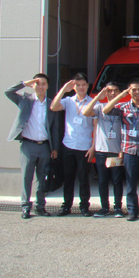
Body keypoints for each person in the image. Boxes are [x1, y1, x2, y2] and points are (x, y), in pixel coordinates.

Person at [103, 78, 139, 222]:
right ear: (129, 91)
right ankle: (132, 211)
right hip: (129, 151)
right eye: (133, 89)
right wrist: (120, 96)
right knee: (130, 183)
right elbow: (106, 110)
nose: (137, 92)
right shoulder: (122, 107)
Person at [5, 74, 59, 219]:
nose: (40, 87)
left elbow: (55, 128)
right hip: (28, 145)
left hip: (45, 147)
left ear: (47, 86)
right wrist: (23, 83)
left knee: (42, 178)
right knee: (26, 178)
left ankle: (40, 206)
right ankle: (25, 207)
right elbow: (8, 92)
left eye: (43, 84)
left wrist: (55, 148)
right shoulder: (25, 99)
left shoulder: (51, 104)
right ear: (33, 85)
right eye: (37, 83)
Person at [50, 73, 96, 217]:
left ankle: (84, 207)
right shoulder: (68, 101)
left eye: (83, 85)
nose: (81, 87)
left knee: (84, 179)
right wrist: (63, 90)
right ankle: (66, 206)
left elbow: (96, 126)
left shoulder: (93, 102)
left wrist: (93, 147)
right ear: (74, 87)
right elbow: (54, 107)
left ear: (87, 86)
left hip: (84, 146)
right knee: (68, 178)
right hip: (68, 145)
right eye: (78, 85)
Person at [83, 82, 124, 218]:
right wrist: (97, 97)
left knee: (117, 181)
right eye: (110, 91)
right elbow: (86, 112)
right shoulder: (99, 107)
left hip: (116, 151)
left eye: (115, 90)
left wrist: (122, 150)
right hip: (101, 150)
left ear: (119, 93)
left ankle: (118, 207)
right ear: (106, 93)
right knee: (102, 181)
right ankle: (104, 207)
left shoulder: (122, 108)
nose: (113, 93)